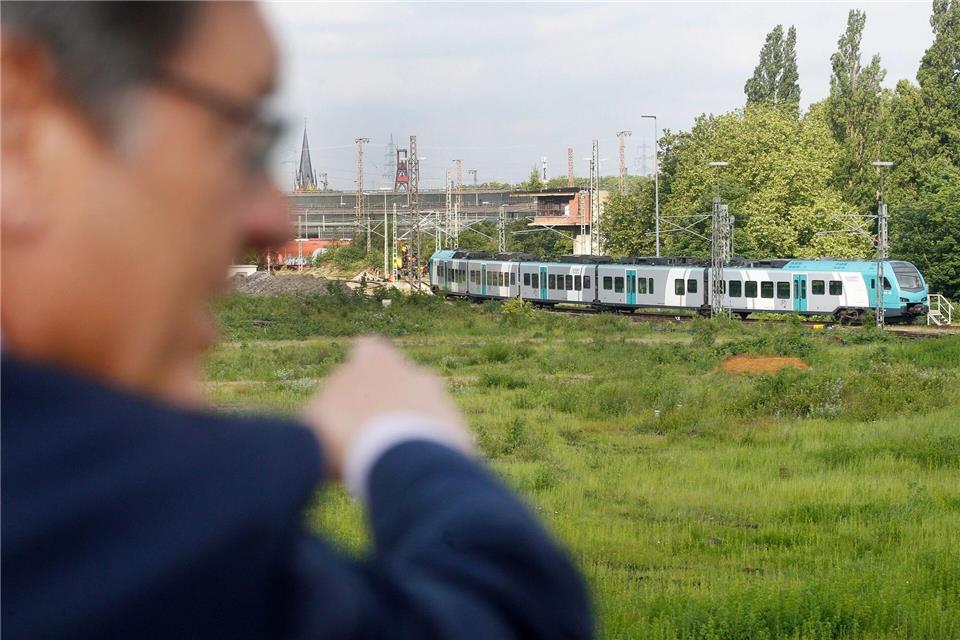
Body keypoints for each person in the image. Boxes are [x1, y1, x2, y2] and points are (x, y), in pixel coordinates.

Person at [0, 3, 593, 639]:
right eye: (235, 135)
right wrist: (405, 445)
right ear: (21, 129)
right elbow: (509, 617)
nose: (273, 220)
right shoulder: (143, 535)